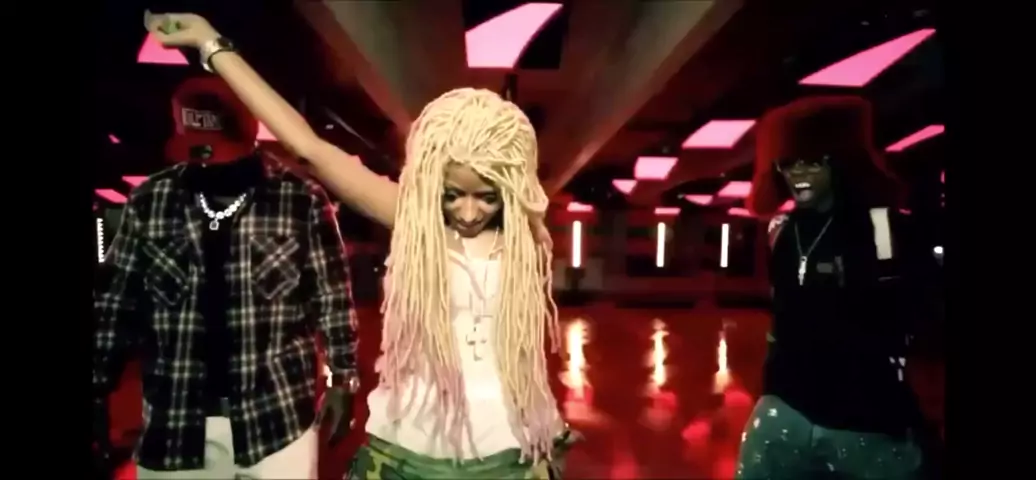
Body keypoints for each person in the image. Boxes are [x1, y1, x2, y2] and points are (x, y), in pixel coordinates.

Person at [145, 12, 573, 479]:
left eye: (487, 197)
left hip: (511, 456)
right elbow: (308, 148)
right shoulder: (415, 219)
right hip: (405, 456)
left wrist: (549, 431)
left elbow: (525, 358)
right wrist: (211, 44)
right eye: (452, 195)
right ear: (431, 180)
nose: (468, 213)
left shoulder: (526, 237)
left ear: (510, 187)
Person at [92, 75, 359, 479]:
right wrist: (98, 381)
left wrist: (344, 378)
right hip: (175, 421)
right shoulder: (151, 201)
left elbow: (332, 298)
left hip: (276, 418)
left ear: (250, 137)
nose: (208, 164)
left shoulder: (300, 200)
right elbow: (116, 301)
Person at [736, 95, 940, 479]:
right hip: (786, 412)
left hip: (867, 423)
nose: (799, 173)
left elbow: (917, 317)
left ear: (843, 159)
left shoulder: (886, 230)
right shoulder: (782, 233)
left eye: (814, 160)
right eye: (788, 162)